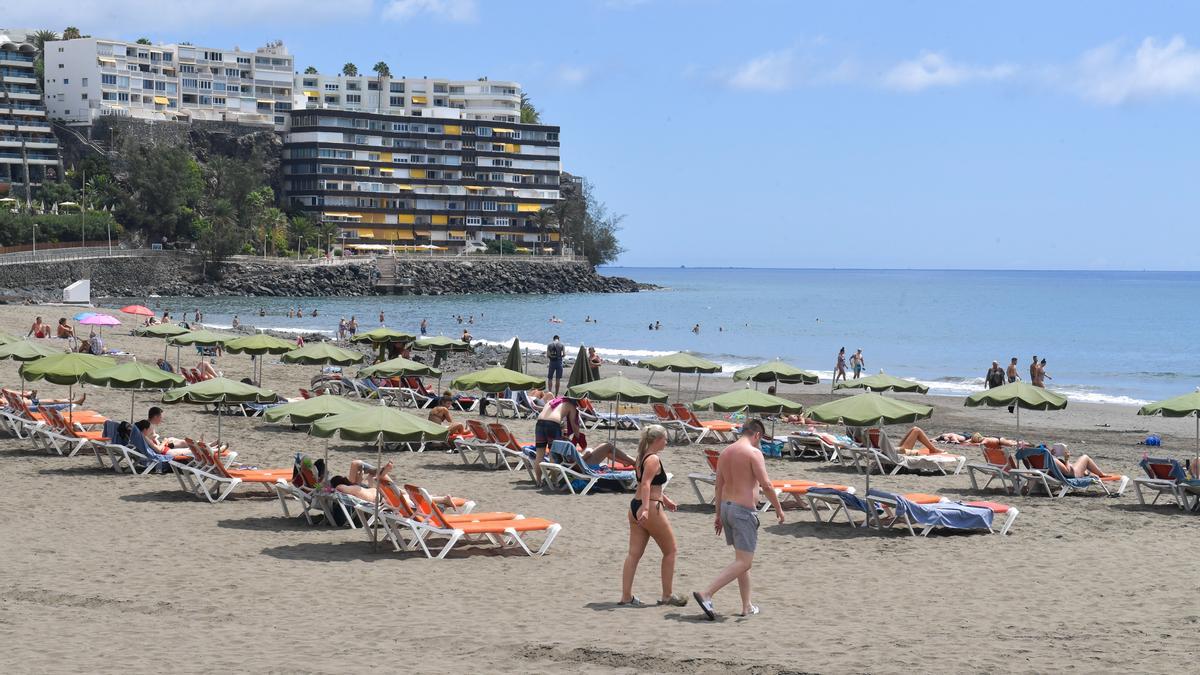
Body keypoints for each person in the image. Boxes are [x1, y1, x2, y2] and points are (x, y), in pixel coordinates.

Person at [694, 419, 783, 620]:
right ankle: (706, 593)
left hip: (726, 507)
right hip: (742, 511)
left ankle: (747, 606)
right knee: (744, 562)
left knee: (741, 560)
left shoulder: (725, 452)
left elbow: (718, 486)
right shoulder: (753, 453)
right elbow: (766, 485)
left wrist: (718, 514)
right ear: (757, 435)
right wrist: (778, 508)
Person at [619, 425, 687, 607]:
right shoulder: (654, 459)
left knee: (633, 554)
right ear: (657, 440)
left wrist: (667, 499)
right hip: (648, 507)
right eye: (665, 439)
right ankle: (667, 595)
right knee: (671, 551)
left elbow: (644, 484)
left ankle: (626, 597)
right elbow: (647, 485)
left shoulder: (642, 456)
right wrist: (647, 509)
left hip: (635, 507)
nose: (666, 442)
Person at [533, 395, 582, 484]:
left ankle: (538, 481)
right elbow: (574, 426)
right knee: (553, 454)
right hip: (553, 424)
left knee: (539, 455)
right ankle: (554, 482)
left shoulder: (552, 401)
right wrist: (578, 437)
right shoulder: (571, 405)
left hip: (539, 423)